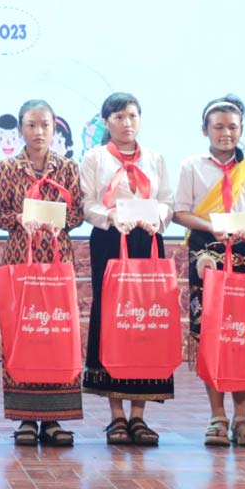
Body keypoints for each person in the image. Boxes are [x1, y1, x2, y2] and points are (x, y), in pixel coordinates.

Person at [171, 94, 245, 448]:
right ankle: (216, 416)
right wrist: (213, 226)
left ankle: (242, 418)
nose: (226, 133)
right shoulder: (191, 166)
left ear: (241, 130)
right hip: (207, 253)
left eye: (232, 127)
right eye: (218, 126)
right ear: (205, 130)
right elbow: (180, 212)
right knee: (212, 333)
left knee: (243, 333)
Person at [79, 92, 173, 446]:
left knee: (146, 318)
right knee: (114, 318)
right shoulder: (95, 157)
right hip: (109, 239)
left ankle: (139, 416)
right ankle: (116, 415)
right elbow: (88, 203)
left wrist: (157, 218)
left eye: (132, 116)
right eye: (118, 117)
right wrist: (110, 216)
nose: (126, 123)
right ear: (106, 122)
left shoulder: (155, 157)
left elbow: (167, 201)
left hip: (147, 240)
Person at [0, 99, 85, 446]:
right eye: (31, 125)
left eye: (45, 125)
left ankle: (55, 418)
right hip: (21, 256)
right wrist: (19, 218)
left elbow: (77, 215)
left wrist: (58, 220)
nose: (39, 131)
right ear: (20, 129)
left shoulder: (68, 168)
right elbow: (0, 216)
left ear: (55, 127)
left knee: (56, 330)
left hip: (57, 257)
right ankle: (25, 418)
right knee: (24, 331)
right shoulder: (5, 168)